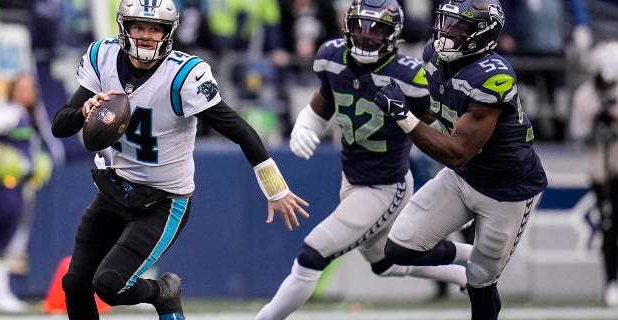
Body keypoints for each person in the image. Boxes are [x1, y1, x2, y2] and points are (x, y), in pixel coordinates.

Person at [50, 1, 310, 319]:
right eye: (138, 27)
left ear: (168, 32)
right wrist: (85, 111)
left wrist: (275, 188)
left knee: (110, 285)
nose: (146, 36)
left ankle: (163, 292)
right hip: (117, 190)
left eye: (155, 28)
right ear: (124, 28)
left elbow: (239, 129)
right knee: (75, 283)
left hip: (163, 201)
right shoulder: (103, 56)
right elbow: (60, 125)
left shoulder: (183, 74)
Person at [255, 1, 470, 319]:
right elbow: (320, 106)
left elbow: (438, 127)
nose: (366, 36)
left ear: (393, 33)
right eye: (359, 27)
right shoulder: (332, 57)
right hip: (353, 178)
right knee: (384, 261)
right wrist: (305, 126)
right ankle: (466, 266)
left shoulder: (406, 75)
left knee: (313, 254)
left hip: (385, 186)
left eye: (376, 29)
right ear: (347, 26)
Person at [373, 1, 548, 319]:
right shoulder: (434, 54)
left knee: (481, 283)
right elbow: (439, 113)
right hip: (466, 175)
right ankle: (470, 255)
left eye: (459, 26)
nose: (447, 32)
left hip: (507, 188)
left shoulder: (493, 77)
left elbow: (457, 152)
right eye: (446, 22)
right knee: (398, 247)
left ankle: (478, 267)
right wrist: (409, 103)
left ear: (483, 33)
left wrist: (402, 116)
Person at [0, 74, 52, 313]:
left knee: (7, 241)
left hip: (19, 186)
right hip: (4, 185)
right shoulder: (9, 113)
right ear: (12, 91)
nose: (26, 93)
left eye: (30, 88)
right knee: (1, 239)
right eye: (21, 88)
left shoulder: (28, 116)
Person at [569, 41, 618, 307]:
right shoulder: (585, 95)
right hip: (600, 170)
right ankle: (612, 281)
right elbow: (577, 131)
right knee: (609, 227)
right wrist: (594, 120)